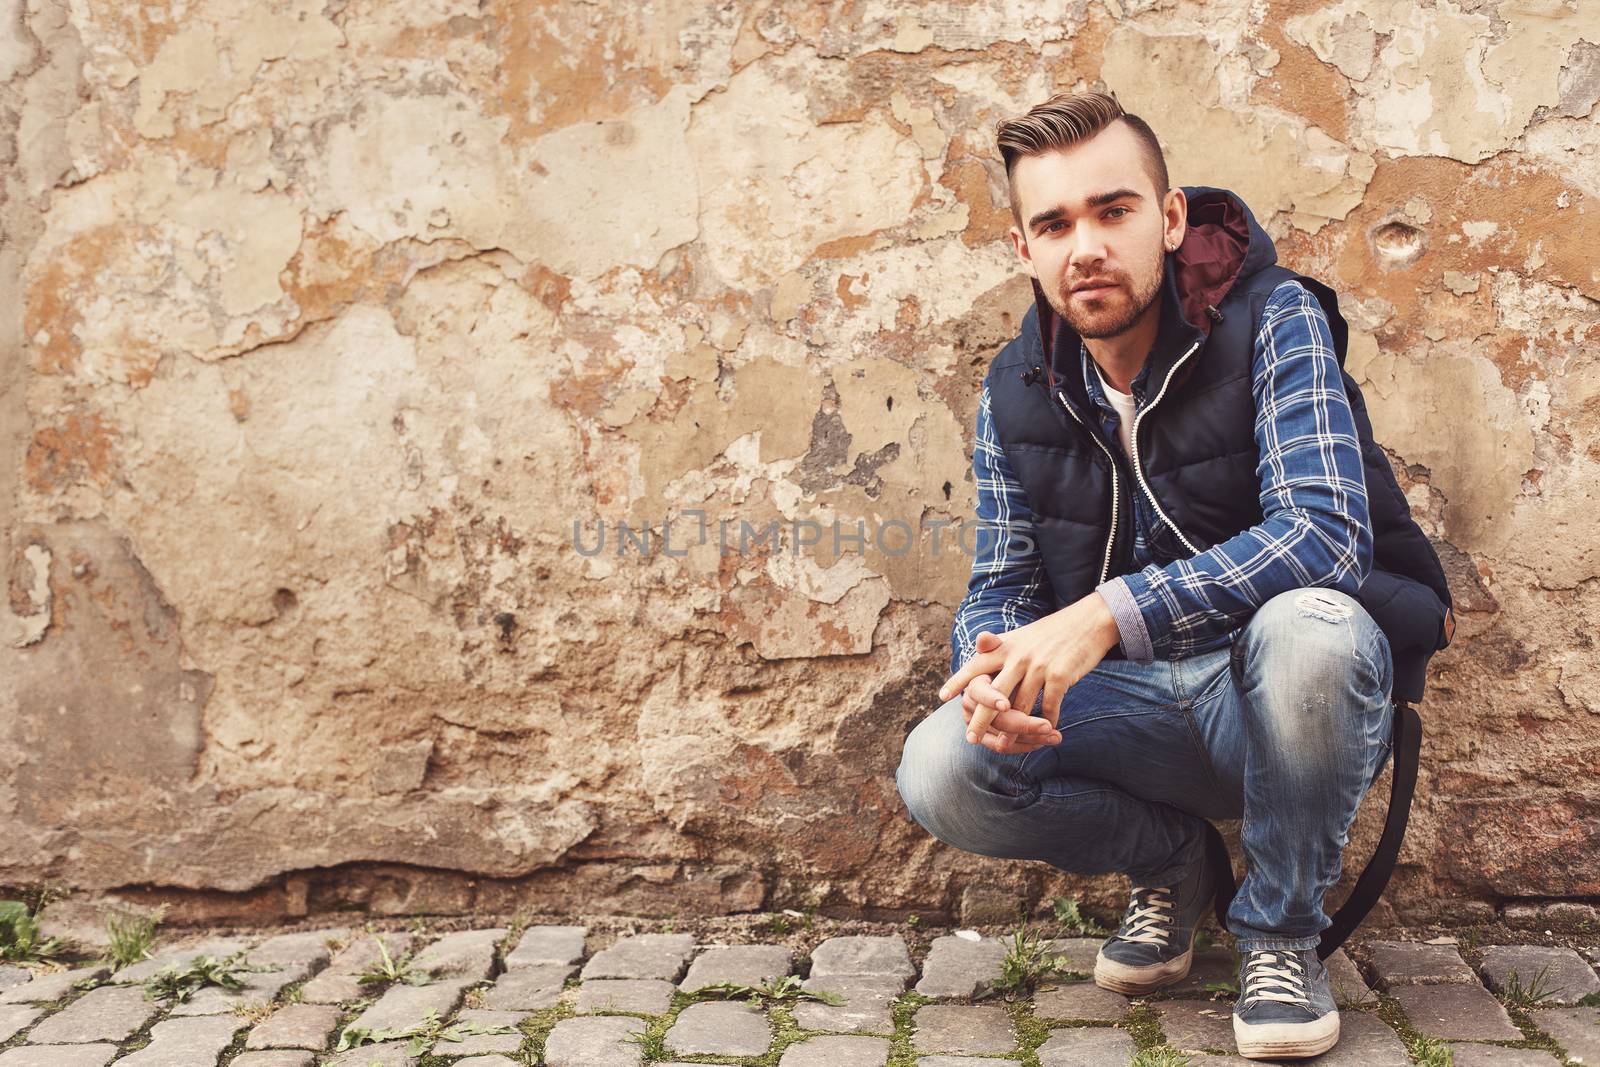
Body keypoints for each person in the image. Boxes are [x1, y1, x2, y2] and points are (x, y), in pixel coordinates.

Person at [895, 90, 1452, 1061]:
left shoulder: (1276, 319)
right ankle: (1174, 866)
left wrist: (1110, 611)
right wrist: (988, 672)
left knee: (1312, 625)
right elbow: (1002, 580)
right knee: (941, 765)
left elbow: (1324, 534)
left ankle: (1280, 933)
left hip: (1281, 696)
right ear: (1024, 250)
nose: (1087, 247)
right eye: (1054, 223)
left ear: (1171, 217)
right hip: (1134, 716)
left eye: (1113, 211)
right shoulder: (1012, 387)